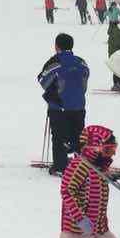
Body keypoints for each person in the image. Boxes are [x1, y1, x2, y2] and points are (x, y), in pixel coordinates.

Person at [38, 33, 89, 175]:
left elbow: (43, 81)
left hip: (59, 107)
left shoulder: (55, 62)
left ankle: (60, 166)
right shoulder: (82, 62)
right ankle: (81, 165)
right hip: (79, 106)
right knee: (79, 135)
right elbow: (85, 81)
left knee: (59, 136)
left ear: (57, 46)